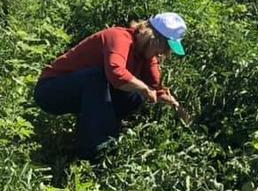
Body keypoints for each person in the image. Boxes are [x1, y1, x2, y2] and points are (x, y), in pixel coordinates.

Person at [34, 13, 187, 160]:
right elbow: (116, 73)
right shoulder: (119, 37)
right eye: (164, 48)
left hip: (84, 93)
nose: (163, 54)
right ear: (153, 39)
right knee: (97, 77)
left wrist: (174, 103)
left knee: (135, 97)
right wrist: (145, 89)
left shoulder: (146, 55)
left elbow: (155, 86)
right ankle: (93, 151)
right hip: (51, 90)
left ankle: (99, 138)